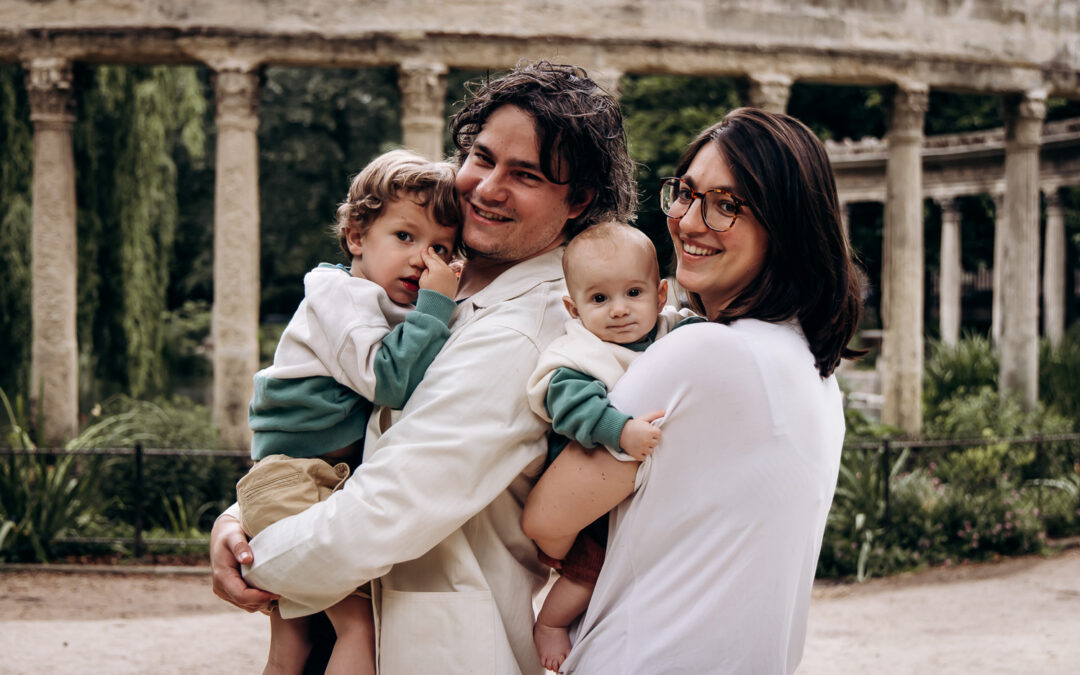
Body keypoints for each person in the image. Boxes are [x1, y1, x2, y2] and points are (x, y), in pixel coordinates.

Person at [210, 61, 637, 675]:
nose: (488, 187)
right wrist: (242, 515)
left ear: (579, 201)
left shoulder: (527, 328)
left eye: (526, 175)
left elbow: (392, 501)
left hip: (445, 647)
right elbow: (334, 436)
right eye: (482, 158)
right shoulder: (436, 293)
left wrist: (252, 557)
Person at [523, 107, 864, 674]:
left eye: (727, 205)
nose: (688, 220)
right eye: (685, 192)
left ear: (786, 225)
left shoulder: (701, 351)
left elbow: (547, 520)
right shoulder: (818, 377)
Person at [237, 149, 461, 674]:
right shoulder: (342, 296)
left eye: (441, 248)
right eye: (405, 237)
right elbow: (387, 381)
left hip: (298, 481)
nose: (422, 260)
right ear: (357, 236)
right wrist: (436, 306)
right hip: (295, 486)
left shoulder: (374, 299)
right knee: (359, 630)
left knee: (292, 649)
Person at [523, 221, 695, 670]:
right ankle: (551, 623)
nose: (619, 310)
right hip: (585, 506)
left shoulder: (672, 332)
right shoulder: (578, 356)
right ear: (573, 308)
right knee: (588, 572)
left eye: (633, 294)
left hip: (638, 496)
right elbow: (570, 406)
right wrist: (619, 430)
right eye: (599, 299)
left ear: (660, 295)